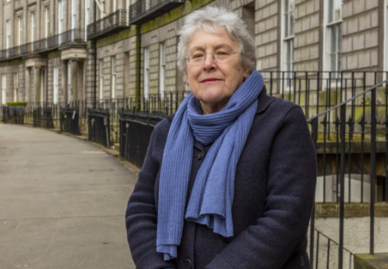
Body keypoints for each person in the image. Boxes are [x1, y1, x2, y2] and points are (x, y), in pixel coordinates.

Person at [125, 6, 316, 269]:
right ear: (186, 73)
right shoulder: (166, 131)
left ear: (247, 65)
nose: (208, 63)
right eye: (197, 55)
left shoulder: (281, 122)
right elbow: (140, 210)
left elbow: (286, 217)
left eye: (222, 52)